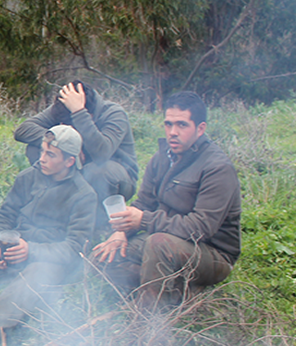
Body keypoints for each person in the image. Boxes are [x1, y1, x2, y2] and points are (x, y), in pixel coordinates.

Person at [92, 91, 241, 307]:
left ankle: (149, 323)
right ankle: (181, 291)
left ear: (200, 129)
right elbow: (144, 203)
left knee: (158, 243)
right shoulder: (162, 157)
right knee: (104, 257)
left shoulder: (217, 168)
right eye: (168, 124)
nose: (173, 132)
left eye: (182, 125)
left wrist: (144, 221)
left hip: (211, 253)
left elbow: (201, 228)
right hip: (165, 240)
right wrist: (121, 232)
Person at [0, 125, 96, 346]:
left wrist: (32, 250)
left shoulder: (83, 194)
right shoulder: (27, 177)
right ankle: (22, 293)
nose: (42, 159)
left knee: (38, 274)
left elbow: (75, 248)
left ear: (70, 161)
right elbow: (4, 216)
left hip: (48, 261)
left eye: (50, 155)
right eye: (42, 151)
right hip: (15, 253)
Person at [14, 80, 137, 204]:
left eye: (67, 124)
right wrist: (65, 144)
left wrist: (79, 113)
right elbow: (23, 130)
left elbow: (102, 154)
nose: (63, 126)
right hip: (75, 170)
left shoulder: (113, 113)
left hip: (116, 176)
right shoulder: (63, 107)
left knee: (98, 171)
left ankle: (99, 220)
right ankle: (54, 207)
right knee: (36, 149)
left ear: (91, 115)